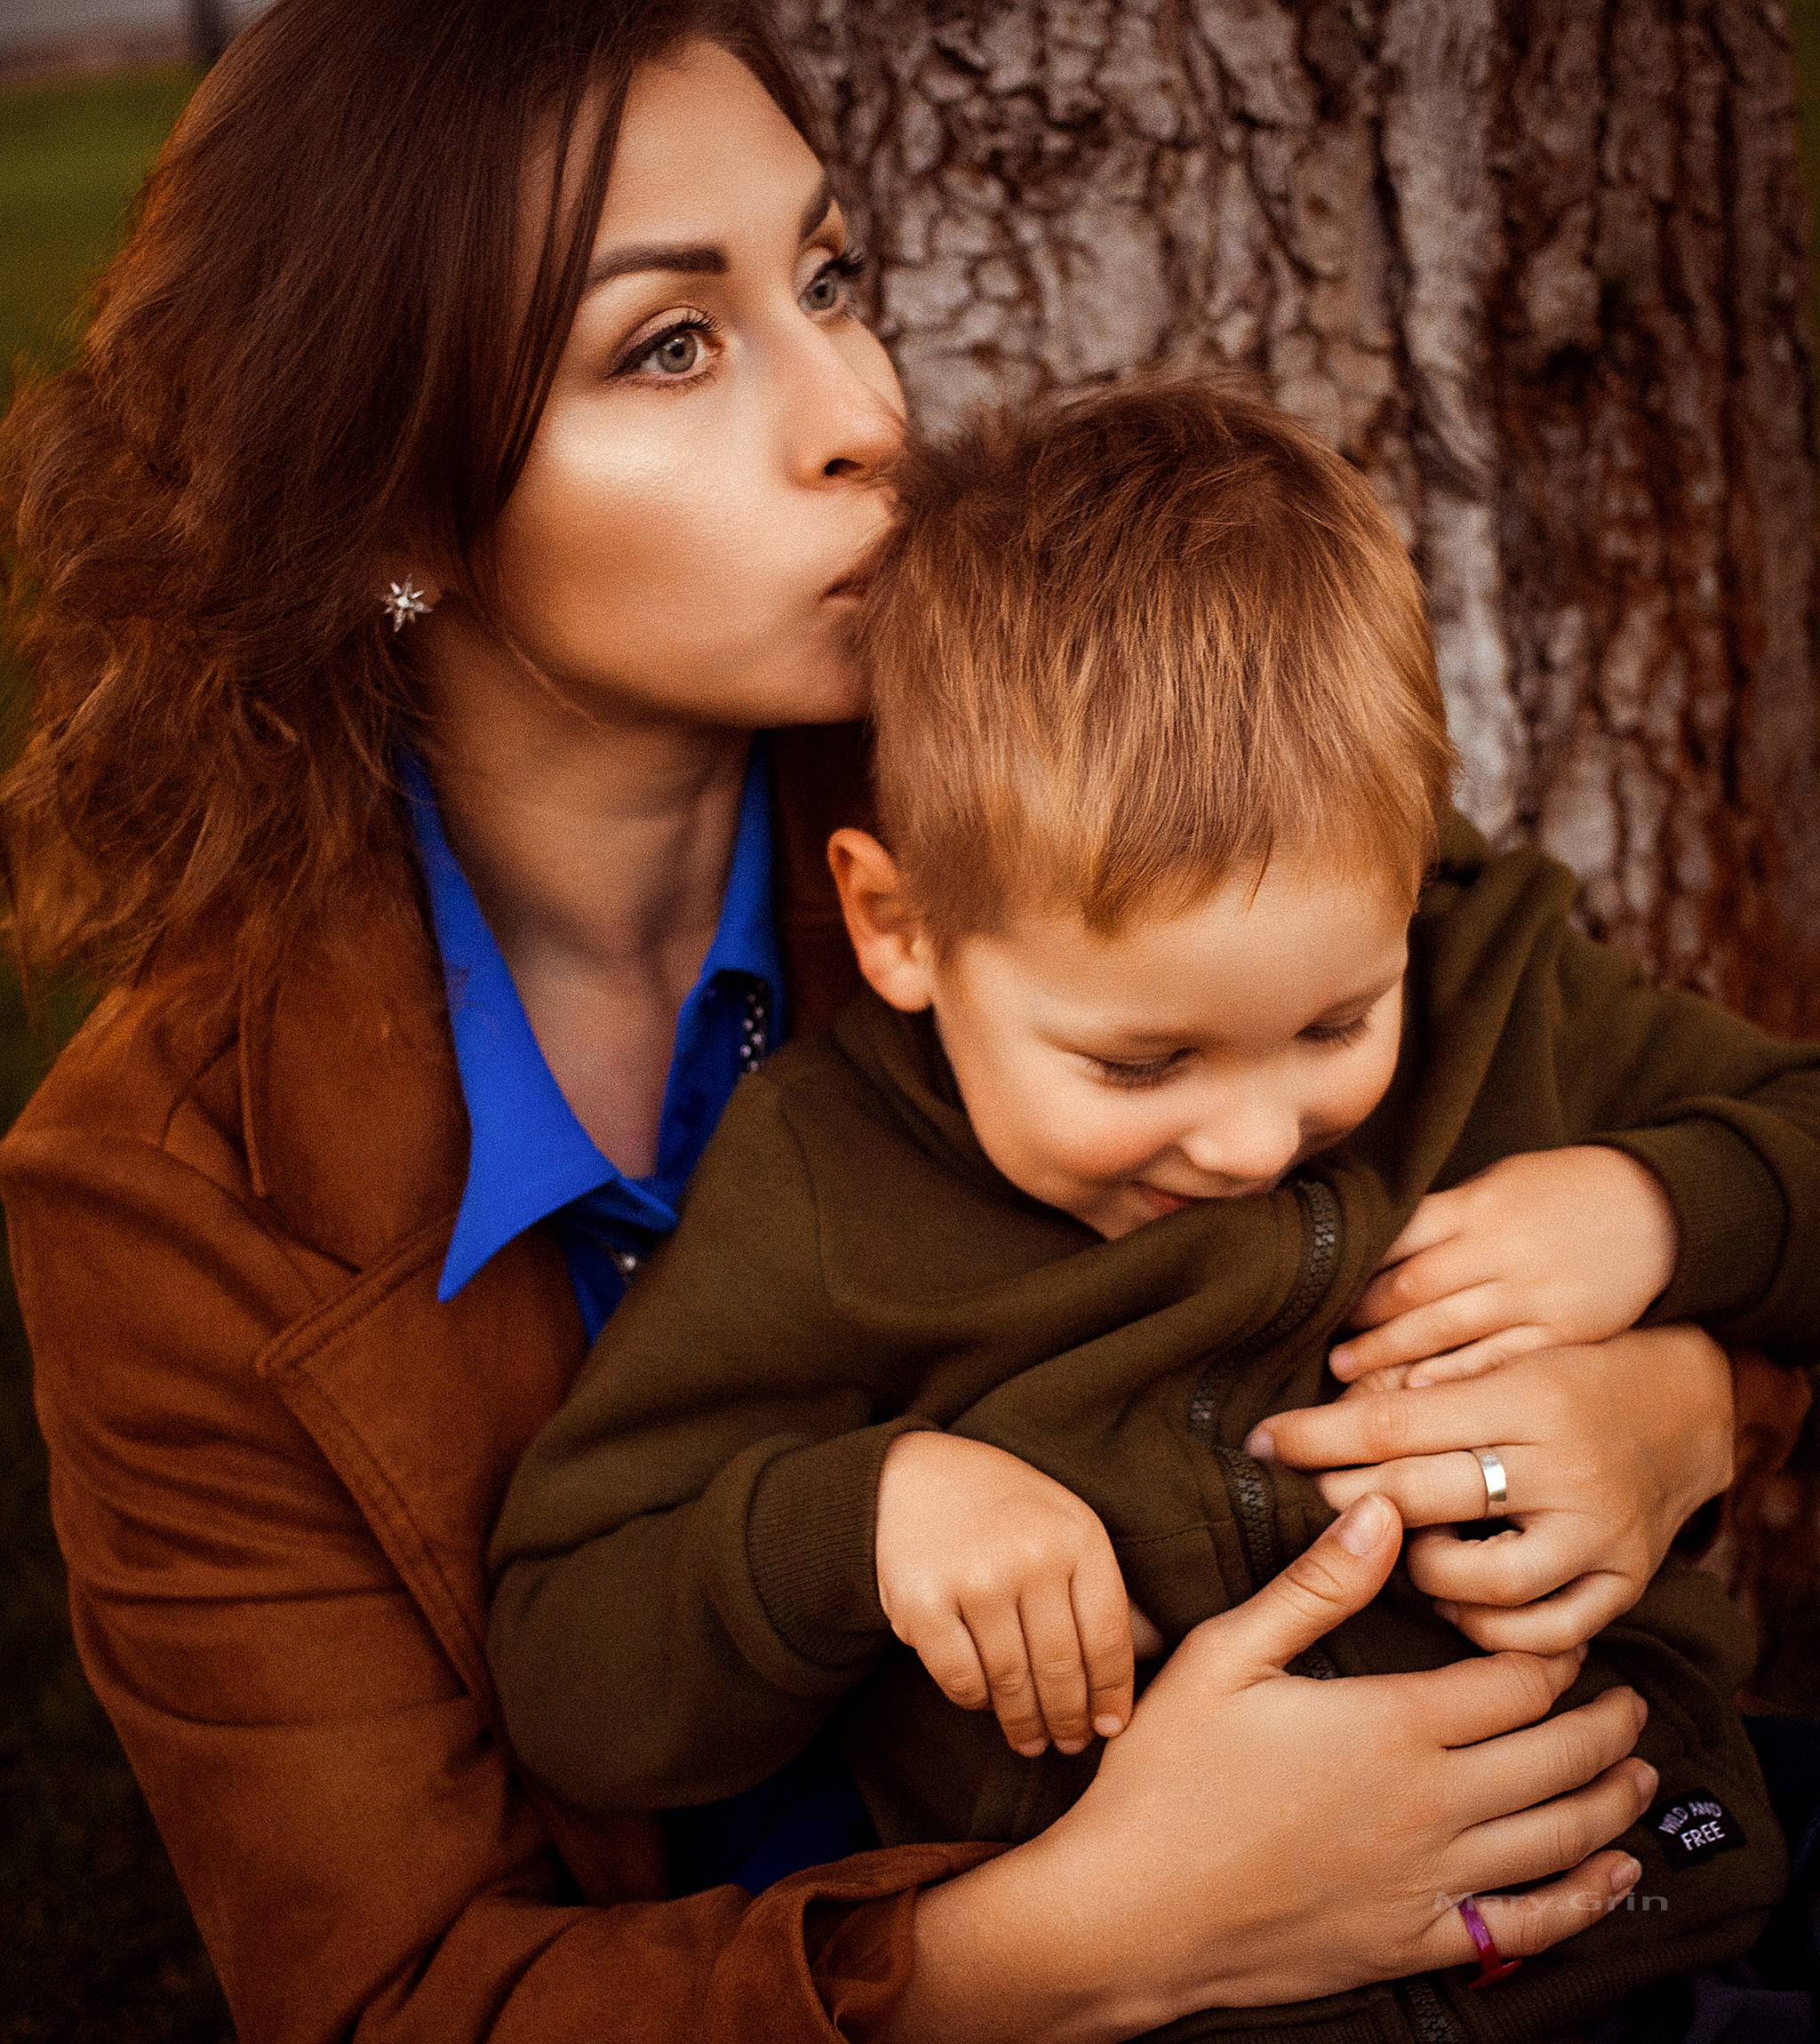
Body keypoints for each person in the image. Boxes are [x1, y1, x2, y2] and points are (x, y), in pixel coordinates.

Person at [0, 3, 1771, 2040]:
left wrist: (1678, 1411)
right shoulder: (167, 1191)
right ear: (401, 510)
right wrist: (1091, 1935)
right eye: (673, 344)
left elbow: (1579, 1086)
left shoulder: (1069, 767)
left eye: (830, 279)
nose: (863, 408)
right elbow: (397, 1999)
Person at [484, 381, 1820, 2035]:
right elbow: (570, 1661)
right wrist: (872, 1520)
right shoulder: (835, 1183)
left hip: (1667, 1935)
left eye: (1338, 1024)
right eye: (1140, 1063)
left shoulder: (1499, 992)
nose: (1258, 1141)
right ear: (898, 928)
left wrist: (1656, 1208)